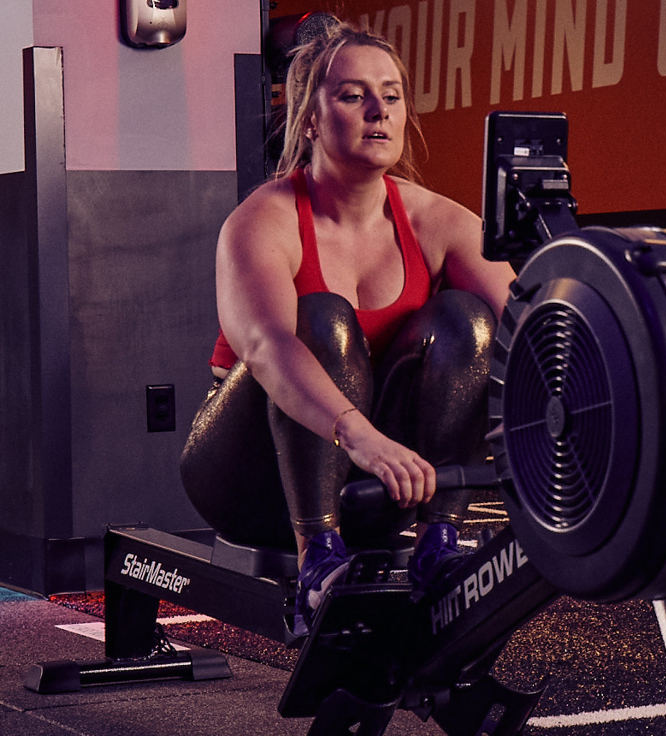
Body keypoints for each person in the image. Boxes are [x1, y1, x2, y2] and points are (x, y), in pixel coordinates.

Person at [179, 22, 515, 637]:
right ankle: (317, 562)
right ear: (310, 117)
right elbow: (268, 347)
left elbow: (531, 328)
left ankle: (439, 540)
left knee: (467, 320)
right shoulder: (263, 220)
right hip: (247, 477)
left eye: (390, 95)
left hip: (376, 478)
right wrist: (357, 435)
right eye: (354, 95)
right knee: (321, 317)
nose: (378, 112)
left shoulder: (437, 220)